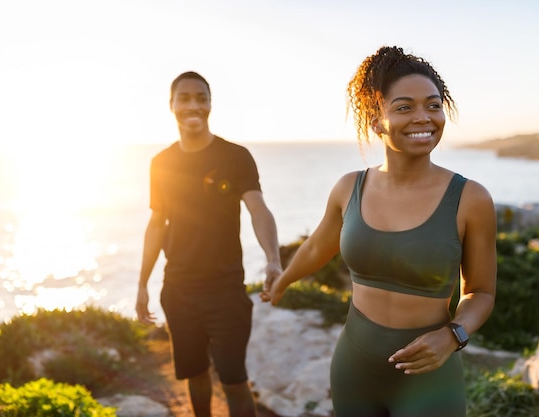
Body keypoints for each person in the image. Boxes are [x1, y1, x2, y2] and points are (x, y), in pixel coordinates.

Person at [261, 46, 497, 417]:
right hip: (354, 367)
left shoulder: (470, 199)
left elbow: (481, 291)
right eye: (404, 107)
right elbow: (317, 247)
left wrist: (453, 335)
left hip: (429, 375)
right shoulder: (348, 188)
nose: (424, 118)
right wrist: (282, 280)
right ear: (376, 120)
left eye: (433, 106)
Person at [136, 71, 282, 417]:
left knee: (234, 380)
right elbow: (157, 223)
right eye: (184, 98)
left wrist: (273, 259)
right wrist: (142, 284)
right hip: (179, 289)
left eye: (201, 97)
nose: (194, 105)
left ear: (211, 104)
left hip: (225, 290)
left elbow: (258, 208)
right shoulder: (161, 163)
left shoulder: (236, 156)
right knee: (195, 373)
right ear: (171, 105)